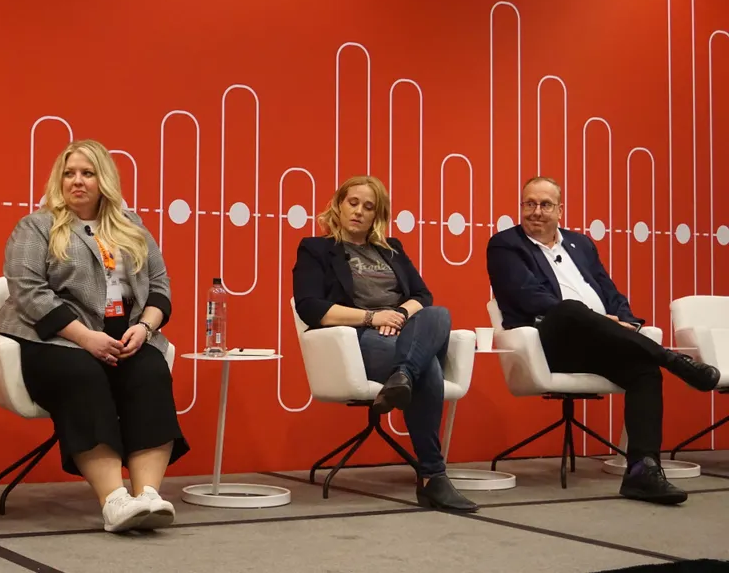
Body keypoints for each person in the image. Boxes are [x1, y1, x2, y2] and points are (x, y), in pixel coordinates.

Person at [486, 176, 721, 505]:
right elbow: (528, 297)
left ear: (560, 210)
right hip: (549, 341)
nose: (535, 211)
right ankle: (671, 359)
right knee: (570, 310)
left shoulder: (580, 244)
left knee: (643, 370)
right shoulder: (505, 245)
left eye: (545, 205)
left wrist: (626, 321)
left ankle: (643, 470)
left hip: (598, 342)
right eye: (529, 204)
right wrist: (595, 318)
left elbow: (608, 290)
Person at [0, 139, 189, 533]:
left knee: (150, 371)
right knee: (82, 373)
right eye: (69, 173)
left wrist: (145, 327)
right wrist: (85, 338)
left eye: (87, 173)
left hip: (126, 337)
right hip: (55, 339)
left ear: (105, 180)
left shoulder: (132, 225)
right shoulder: (36, 226)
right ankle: (114, 501)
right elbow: (28, 290)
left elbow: (160, 284)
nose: (77, 181)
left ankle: (147, 495)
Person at [292, 176, 477, 512]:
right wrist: (371, 318)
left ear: (377, 215)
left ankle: (402, 375)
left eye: (369, 207)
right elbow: (309, 306)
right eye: (353, 203)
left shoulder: (392, 249)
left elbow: (422, 295)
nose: (359, 212)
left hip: (403, 334)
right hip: (359, 338)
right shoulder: (316, 249)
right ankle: (433, 477)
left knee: (439, 313)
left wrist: (399, 316)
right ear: (339, 203)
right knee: (430, 368)